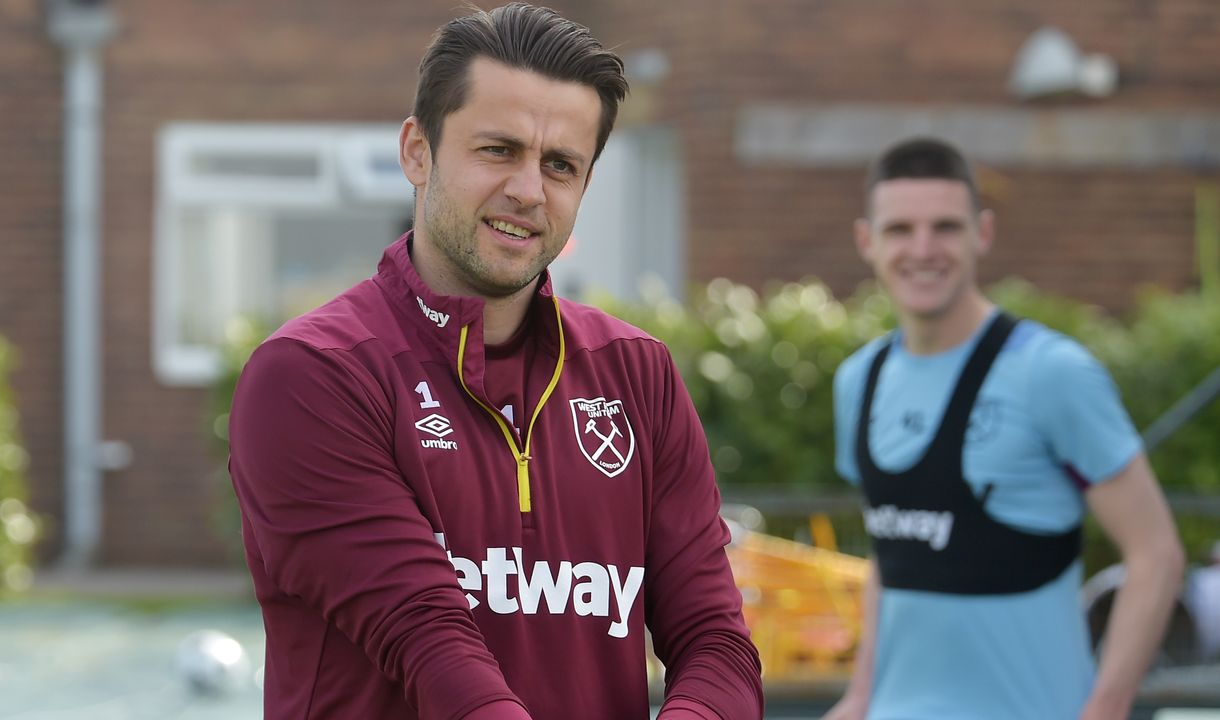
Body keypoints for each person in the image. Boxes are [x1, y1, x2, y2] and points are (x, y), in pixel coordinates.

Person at [227, 4, 763, 720]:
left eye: (561, 165)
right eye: (498, 150)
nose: (529, 191)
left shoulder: (638, 374)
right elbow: (426, 636)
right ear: (417, 151)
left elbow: (716, 643)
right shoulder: (309, 373)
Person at [824, 138, 1185, 720]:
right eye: (899, 230)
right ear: (867, 241)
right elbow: (890, 558)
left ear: (981, 233)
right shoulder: (858, 380)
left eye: (945, 226)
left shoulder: (1051, 374)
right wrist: (862, 695)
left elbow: (1156, 554)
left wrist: (1107, 707)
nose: (923, 249)